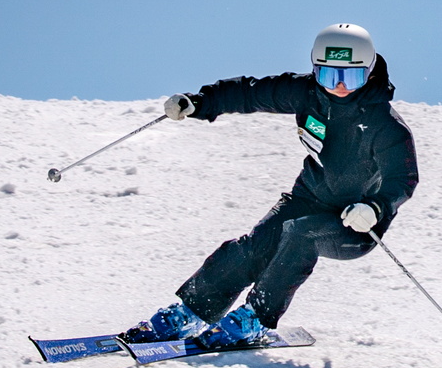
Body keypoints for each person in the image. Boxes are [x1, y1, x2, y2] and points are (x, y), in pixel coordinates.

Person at [122, 23, 419, 347]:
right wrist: (200, 102)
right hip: (308, 197)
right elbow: (251, 93)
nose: (340, 87)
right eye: (329, 77)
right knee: (255, 245)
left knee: (300, 235)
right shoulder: (306, 94)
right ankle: (189, 313)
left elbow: (402, 177)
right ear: (315, 71)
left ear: (370, 71)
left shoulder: (386, 125)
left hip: (355, 222)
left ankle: (256, 318)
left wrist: (375, 208)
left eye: (352, 78)